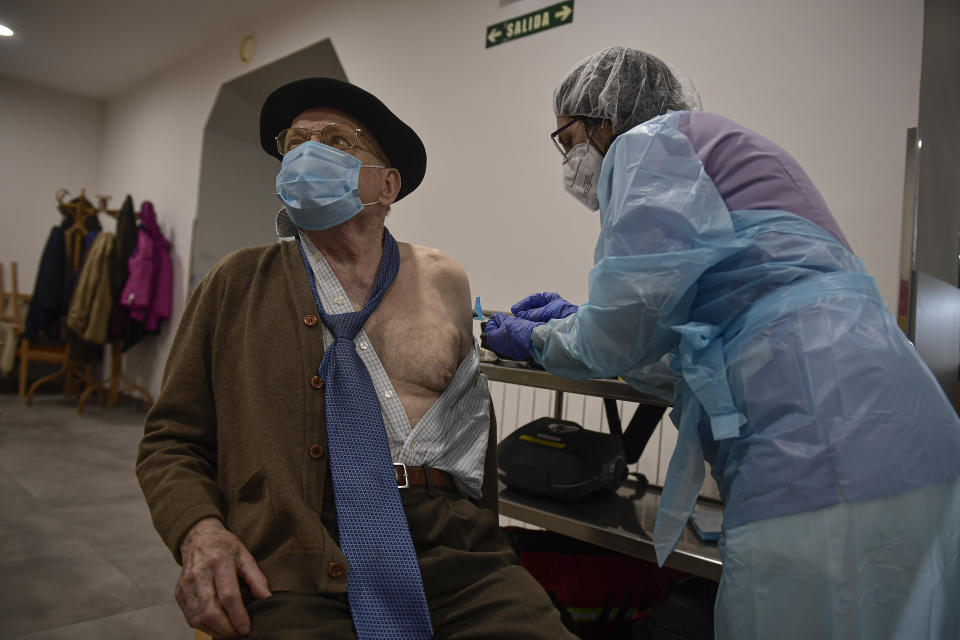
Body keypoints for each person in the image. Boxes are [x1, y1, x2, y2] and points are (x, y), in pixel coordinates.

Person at [485, 46, 960, 639]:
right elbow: (695, 343)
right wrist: (576, 321)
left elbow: (614, 340)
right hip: (908, 429)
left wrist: (540, 339)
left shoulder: (645, 147)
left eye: (569, 136)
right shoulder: (722, 148)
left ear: (605, 118)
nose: (571, 159)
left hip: (816, 450)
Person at [137, 77, 576, 640]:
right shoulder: (236, 284)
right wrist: (199, 531)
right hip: (292, 555)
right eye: (294, 142)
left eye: (337, 140)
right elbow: (170, 437)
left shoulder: (442, 281)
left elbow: (473, 432)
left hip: (457, 558)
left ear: (387, 185)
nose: (306, 153)